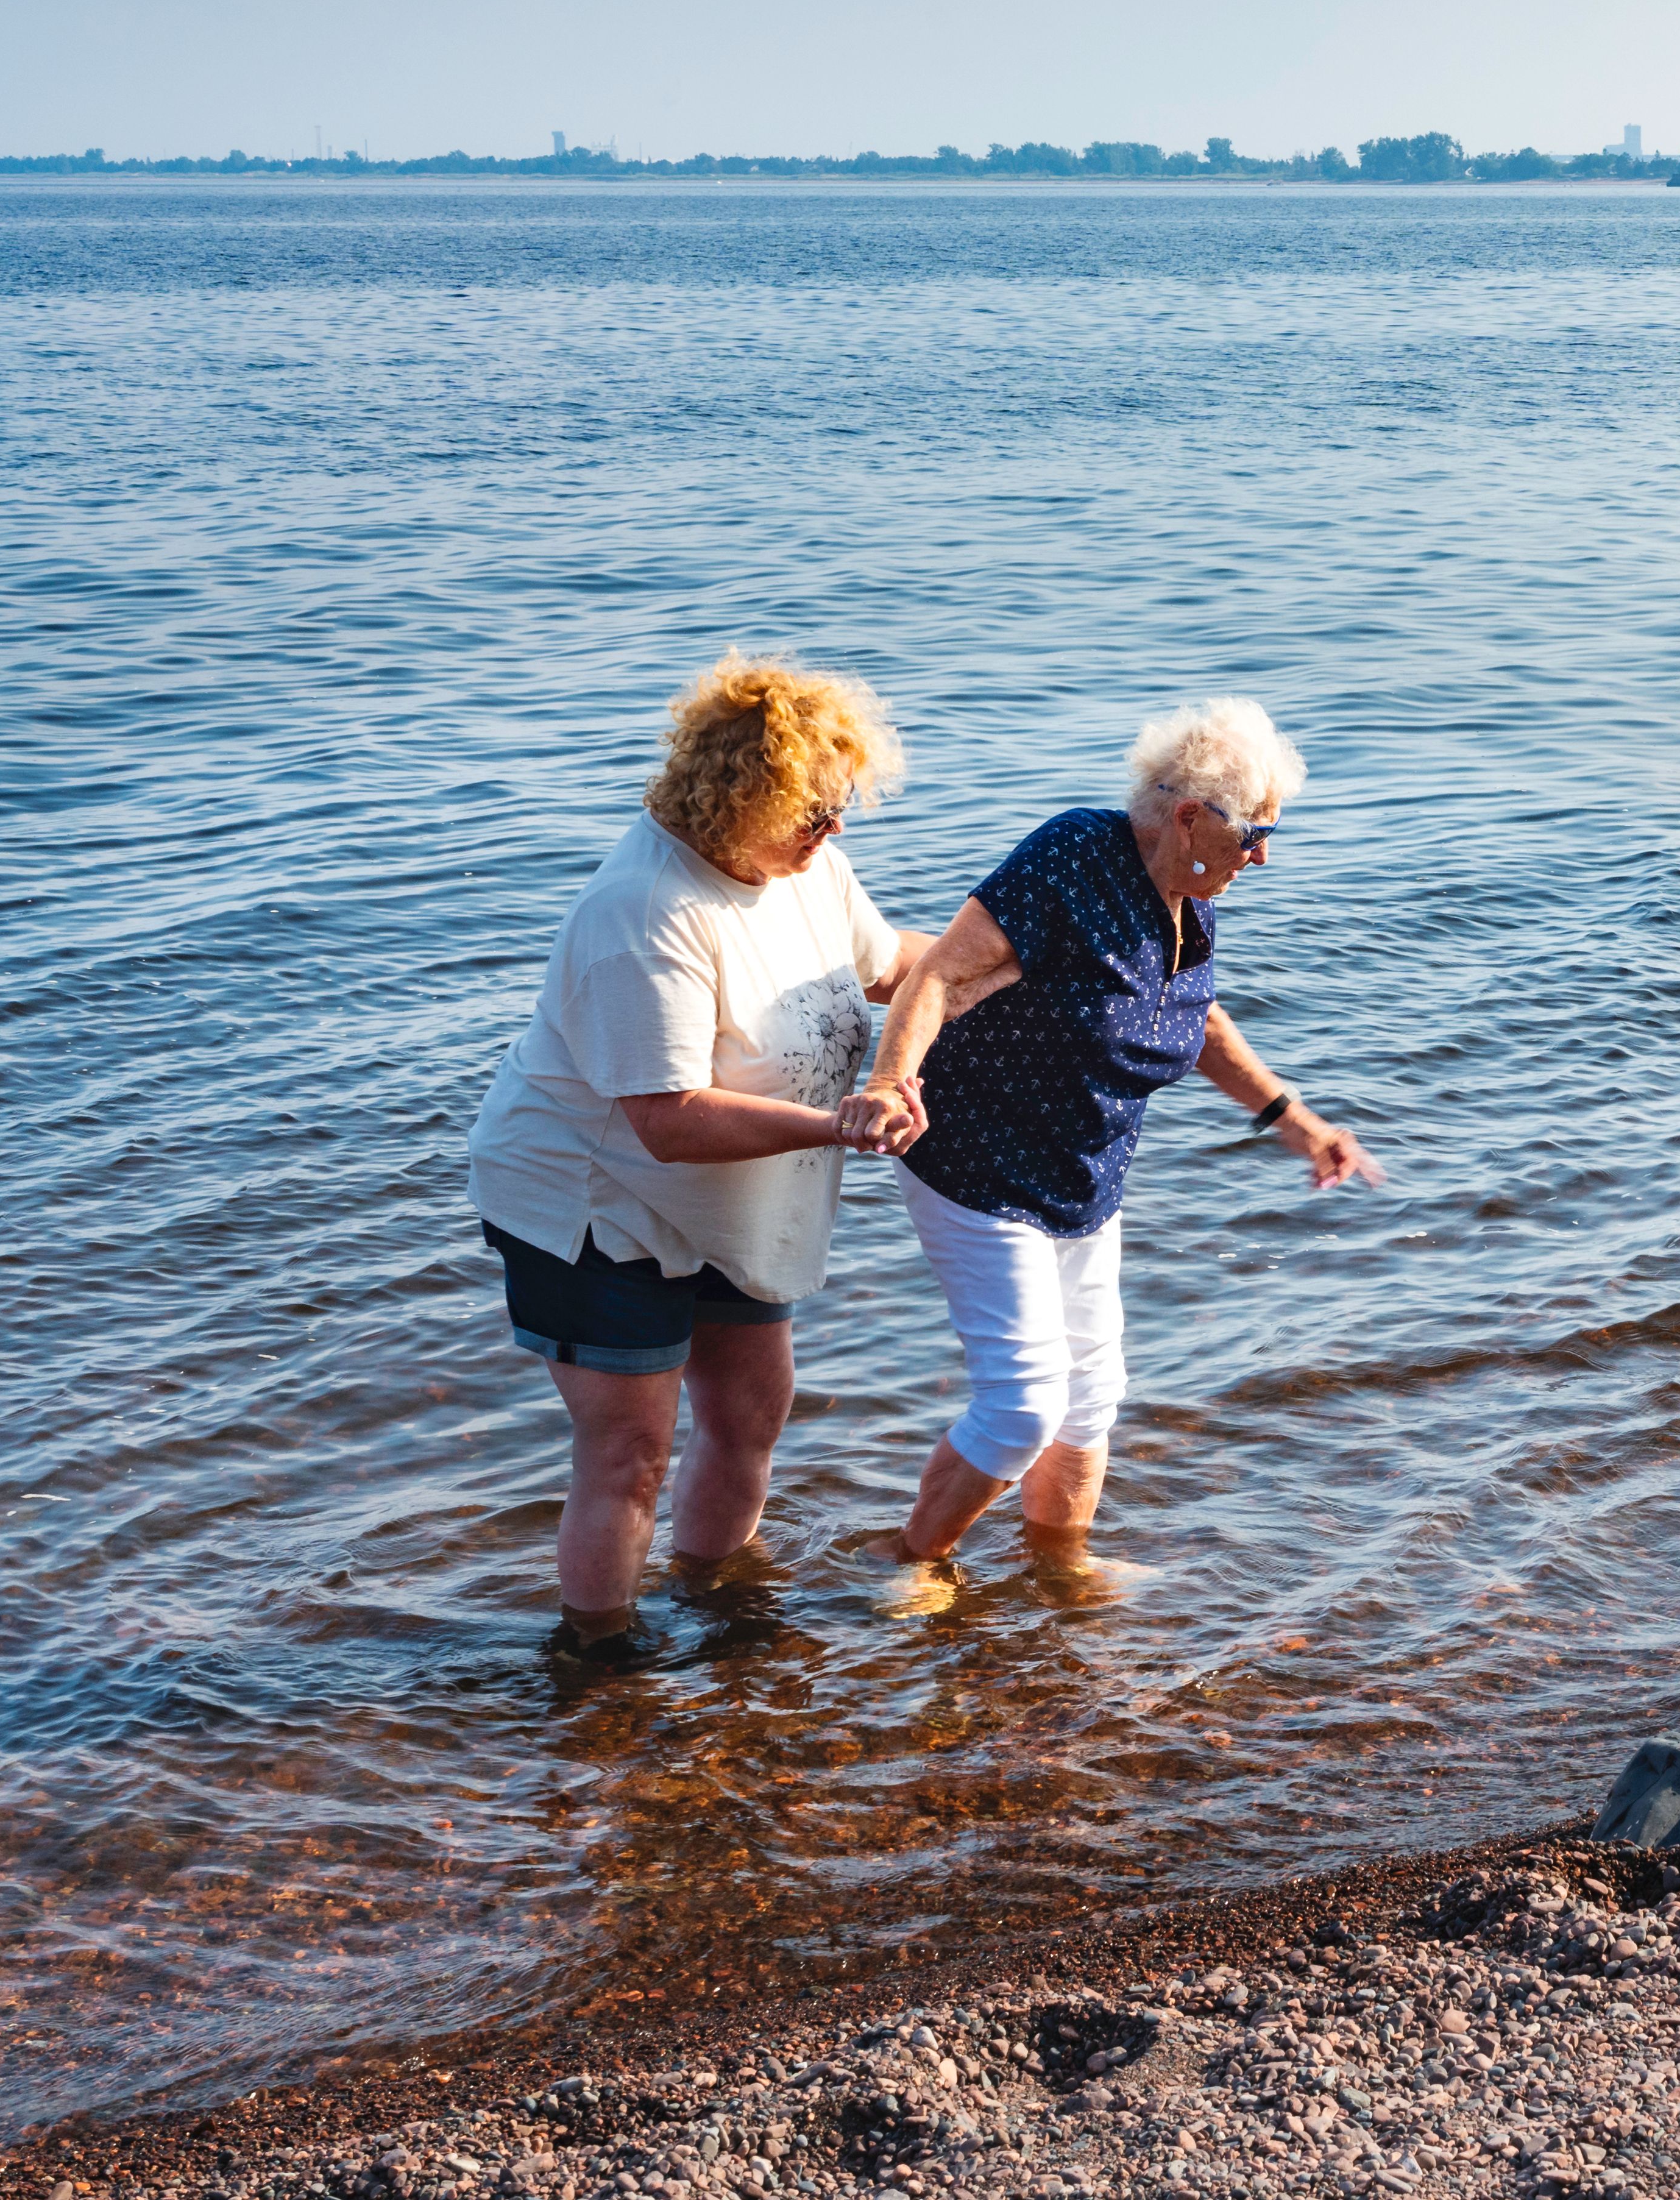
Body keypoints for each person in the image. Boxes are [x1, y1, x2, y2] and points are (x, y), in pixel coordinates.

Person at [832, 696, 1380, 1573]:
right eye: (1255, 835)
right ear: (1192, 818)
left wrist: (1295, 1121)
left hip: (1086, 1178)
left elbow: (1196, 1023)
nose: (1264, 857)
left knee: (1092, 1398)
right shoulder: (1074, 857)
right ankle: (910, 1562)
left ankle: (1061, 1570)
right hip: (980, 1161)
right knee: (1021, 1406)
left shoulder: (1189, 898)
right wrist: (891, 1083)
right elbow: (936, 973)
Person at [467, 653, 920, 1666]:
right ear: (735, 800)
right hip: (594, 1200)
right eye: (814, 812)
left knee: (753, 1403)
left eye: (842, 807)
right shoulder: (644, 912)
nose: (835, 831)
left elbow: (889, 967)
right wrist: (845, 1123)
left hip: (724, 1196)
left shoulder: (806, 867)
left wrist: (1012, 963)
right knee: (631, 1450)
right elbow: (666, 1121)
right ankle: (598, 1658)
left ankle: (717, 1598)